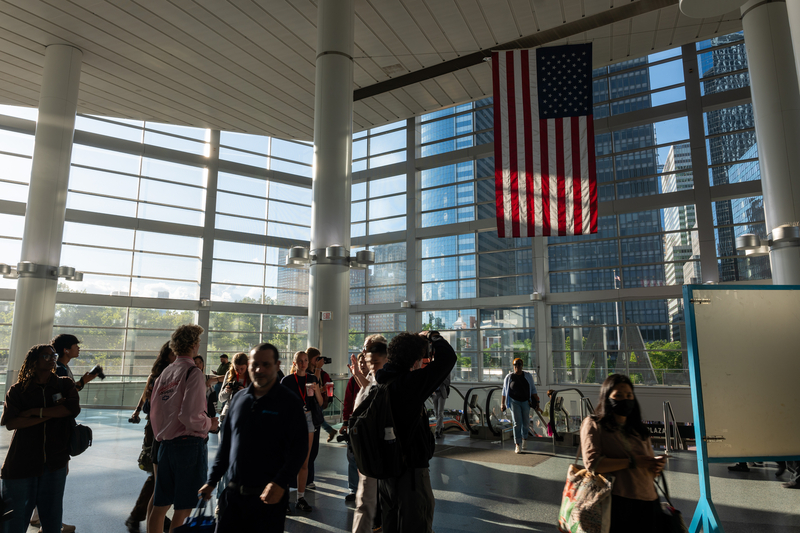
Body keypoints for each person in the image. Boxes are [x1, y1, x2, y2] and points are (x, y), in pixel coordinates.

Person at [199, 343, 309, 532]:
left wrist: (280, 482)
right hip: (234, 497)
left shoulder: (289, 402)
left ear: (277, 365)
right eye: (255, 364)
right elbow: (226, 447)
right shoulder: (240, 399)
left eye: (266, 364)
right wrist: (212, 480)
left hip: (268, 499)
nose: (259, 369)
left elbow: (299, 448)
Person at [375, 331, 456, 533]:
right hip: (410, 473)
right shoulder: (410, 385)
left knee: (391, 525)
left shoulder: (382, 382)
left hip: (386, 473)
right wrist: (432, 334)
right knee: (417, 524)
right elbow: (448, 357)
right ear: (415, 360)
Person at [0, 344, 81, 533]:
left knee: (52, 520)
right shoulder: (18, 390)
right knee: (14, 520)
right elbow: (12, 423)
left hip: (55, 462)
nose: (52, 358)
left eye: (53, 354)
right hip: (21, 464)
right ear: (33, 361)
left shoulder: (64, 384)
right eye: (46, 356)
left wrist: (33, 412)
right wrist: (51, 414)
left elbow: (72, 409)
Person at [148, 325, 219, 533]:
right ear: (194, 345)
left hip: (165, 445)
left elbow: (155, 413)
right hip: (189, 446)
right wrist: (210, 424)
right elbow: (190, 416)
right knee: (185, 507)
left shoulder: (165, 373)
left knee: (160, 506)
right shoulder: (193, 373)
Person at [580, 374, 667, 533]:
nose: (625, 400)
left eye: (629, 395)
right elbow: (593, 464)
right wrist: (632, 462)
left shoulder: (638, 429)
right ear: (607, 398)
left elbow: (647, 467)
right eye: (618, 396)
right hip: (617, 503)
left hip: (649, 501)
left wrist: (656, 465)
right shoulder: (594, 424)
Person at [125, 342, 176, 533]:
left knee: (158, 476)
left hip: (158, 427)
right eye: (174, 353)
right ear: (167, 355)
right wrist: (138, 410)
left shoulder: (165, 372)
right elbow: (148, 396)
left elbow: (145, 395)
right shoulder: (163, 374)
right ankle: (142, 517)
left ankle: (154, 517)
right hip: (157, 429)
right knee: (157, 476)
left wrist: (137, 410)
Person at [351, 341, 388, 533]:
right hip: (365, 446)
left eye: (375, 361)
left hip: (373, 447)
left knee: (367, 498)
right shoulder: (373, 378)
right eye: (369, 361)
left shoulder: (385, 381)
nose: (371, 365)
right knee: (366, 497)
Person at [280, 351, 323, 512]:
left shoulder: (312, 379)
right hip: (292, 421)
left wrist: (317, 390)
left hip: (309, 419)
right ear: (294, 363)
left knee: (304, 461)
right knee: (288, 460)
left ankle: (300, 497)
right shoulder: (287, 380)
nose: (304, 363)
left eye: (305, 360)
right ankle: (283, 499)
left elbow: (319, 403)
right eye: (300, 361)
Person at [500, 358, 540, 453]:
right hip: (514, 402)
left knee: (526, 422)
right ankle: (517, 444)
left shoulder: (528, 376)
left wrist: (537, 402)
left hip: (526, 402)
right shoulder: (509, 377)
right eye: (515, 365)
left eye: (519, 365)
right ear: (513, 366)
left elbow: (533, 390)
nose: (517, 367)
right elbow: (504, 391)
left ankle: (524, 439)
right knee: (517, 423)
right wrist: (502, 403)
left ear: (522, 366)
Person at [218, 353, 250, 425]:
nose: (239, 371)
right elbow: (221, 399)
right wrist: (226, 391)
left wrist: (245, 392)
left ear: (247, 365)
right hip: (230, 407)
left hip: (245, 409)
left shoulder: (251, 375)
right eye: (237, 369)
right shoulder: (229, 374)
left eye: (242, 368)